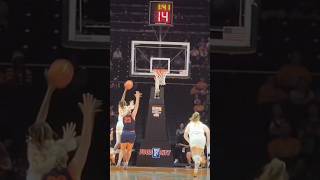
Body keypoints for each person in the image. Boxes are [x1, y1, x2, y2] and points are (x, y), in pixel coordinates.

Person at [27, 72, 101, 180]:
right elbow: (85, 144)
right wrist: (89, 117)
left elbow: (84, 144)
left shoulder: (37, 171)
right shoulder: (65, 169)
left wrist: (50, 90)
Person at [184, 112, 210, 177]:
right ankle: (200, 161)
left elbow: (185, 135)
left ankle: (198, 161)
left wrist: (190, 142)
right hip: (201, 139)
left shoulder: (189, 124)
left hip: (193, 139)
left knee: (194, 156)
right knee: (199, 154)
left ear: (192, 117)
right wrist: (208, 143)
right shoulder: (202, 125)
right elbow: (208, 132)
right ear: (199, 118)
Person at [120, 91, 142, 169]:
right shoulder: (133, 115)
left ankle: (124, 162)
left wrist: (125, 91)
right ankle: (126, 163)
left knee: (123, 150)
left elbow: (122, 103)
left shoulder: (123, 114)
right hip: (132, 134)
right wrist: (137, 98)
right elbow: (136, 107)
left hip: (124, 133)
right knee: (129, 150)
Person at [114, 88, 134, 167]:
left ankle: (112, 153)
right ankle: (119, 162)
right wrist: (132, 103)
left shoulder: (120, 107)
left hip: (118, 125)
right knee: (123, 147)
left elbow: (122, 98)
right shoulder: (127, 108)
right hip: (123, 126)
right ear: (125, 103)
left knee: (117, 143)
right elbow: (133, 107)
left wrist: (125, 90)